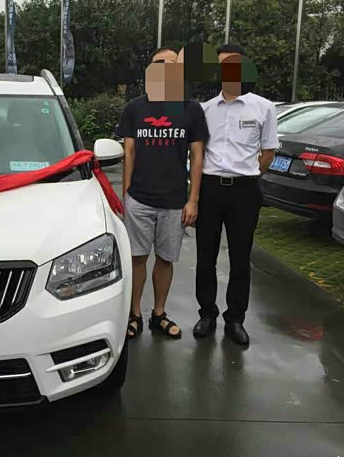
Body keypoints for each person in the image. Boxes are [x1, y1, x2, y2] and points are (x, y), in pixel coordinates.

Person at [117, 47, 209, 340]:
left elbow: (197, 156)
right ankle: (134, 314)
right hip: (140, 199)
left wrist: (193, 199)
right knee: (137, 258)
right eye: (160, 63)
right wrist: (127, 194)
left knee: (165, 259)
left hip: (174, 201)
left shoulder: (191, 109)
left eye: (172, 64)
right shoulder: (135, 108)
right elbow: (129, 152)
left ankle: (159, 314)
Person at [193, 44, 280, 345]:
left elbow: (268, 152)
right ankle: (207, 313)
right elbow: (197, 153)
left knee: (241, 258)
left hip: (245, 191)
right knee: (206, 255)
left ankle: (235, 319)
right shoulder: (205, 110)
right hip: (210, 189)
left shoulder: (263, 108)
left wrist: (248, 174)